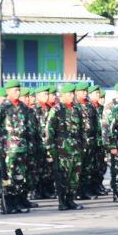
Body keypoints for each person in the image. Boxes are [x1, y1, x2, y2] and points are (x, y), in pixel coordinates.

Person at [44, 83, 85, 211]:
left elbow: (81, 129)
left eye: (73, 93)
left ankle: (70, 199)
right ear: (63, 95)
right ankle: (62, 201)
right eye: (69, 94)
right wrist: (51, 150)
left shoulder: (77, 109)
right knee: (63, 176)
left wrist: (83, 145)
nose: (72, 96)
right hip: (62, 150)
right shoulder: (56, 110)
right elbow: (49, 131)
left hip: (76, 149)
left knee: (75, 176)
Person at [0, 79, 33, 214]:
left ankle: (17, 202)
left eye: (18, 90)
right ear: (8, 92)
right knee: (8, 178)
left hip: (22, 148)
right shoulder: (3, 107)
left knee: (19, 178)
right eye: (14, 90)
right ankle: (7, 204)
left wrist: (29, 146)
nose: (17, 92)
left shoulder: (24, 107)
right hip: (8, 150)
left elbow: (29, 128)